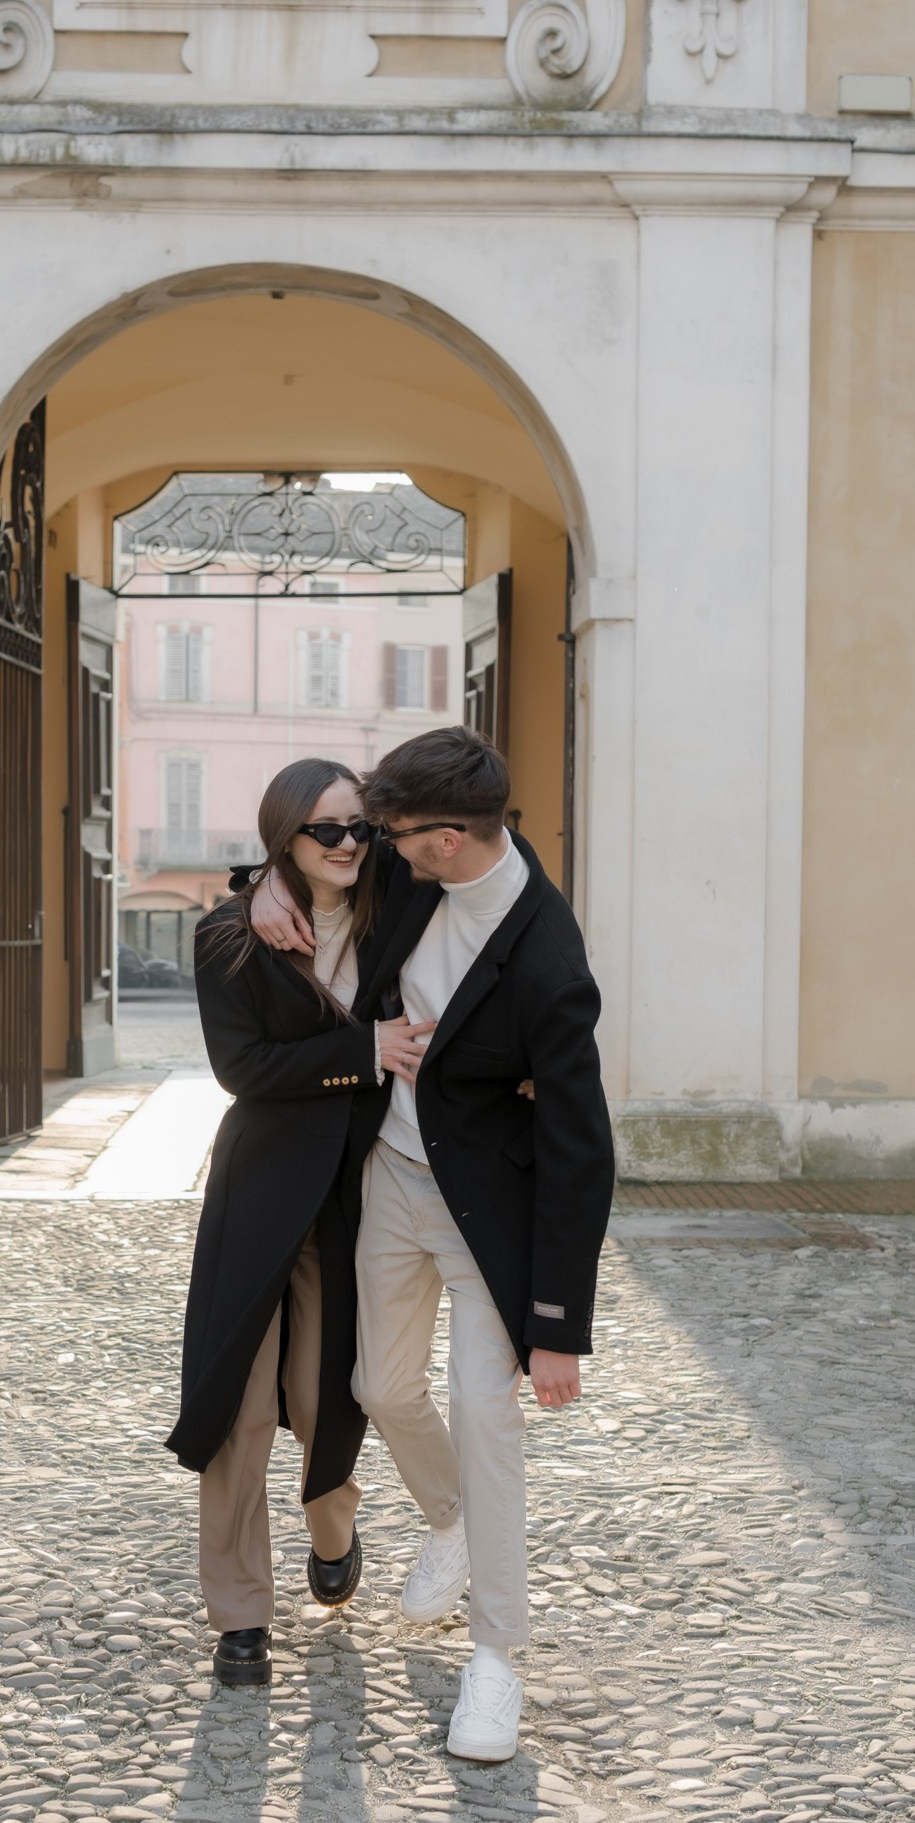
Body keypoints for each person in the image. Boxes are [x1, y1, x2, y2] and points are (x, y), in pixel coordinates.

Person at [250, 727, 615, 1759]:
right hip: (390, 1186)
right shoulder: (412, 884)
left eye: (394, 834)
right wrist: (264, 888)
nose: (377, 847)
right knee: (379, 1388)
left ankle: (497, 1658)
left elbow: (579, 1149)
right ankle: (450, 1517)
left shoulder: (548, 959)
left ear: (447, 838)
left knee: (482, 1416)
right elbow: (321, 884)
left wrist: (557, 1327)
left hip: (488, 1220)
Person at [164, 758, 434, 1687]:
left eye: (360, 827)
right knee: (239, 1408)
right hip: (262, 1187)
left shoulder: (396, 900)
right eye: (328, 832)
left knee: (330, 1397)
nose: (350, 844)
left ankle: (335, 1528)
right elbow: (243, 1071)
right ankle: (239, 1618)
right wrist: (359, 1050)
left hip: (358, 1192)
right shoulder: (227, 938)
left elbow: (483, 857)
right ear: (286, 838)